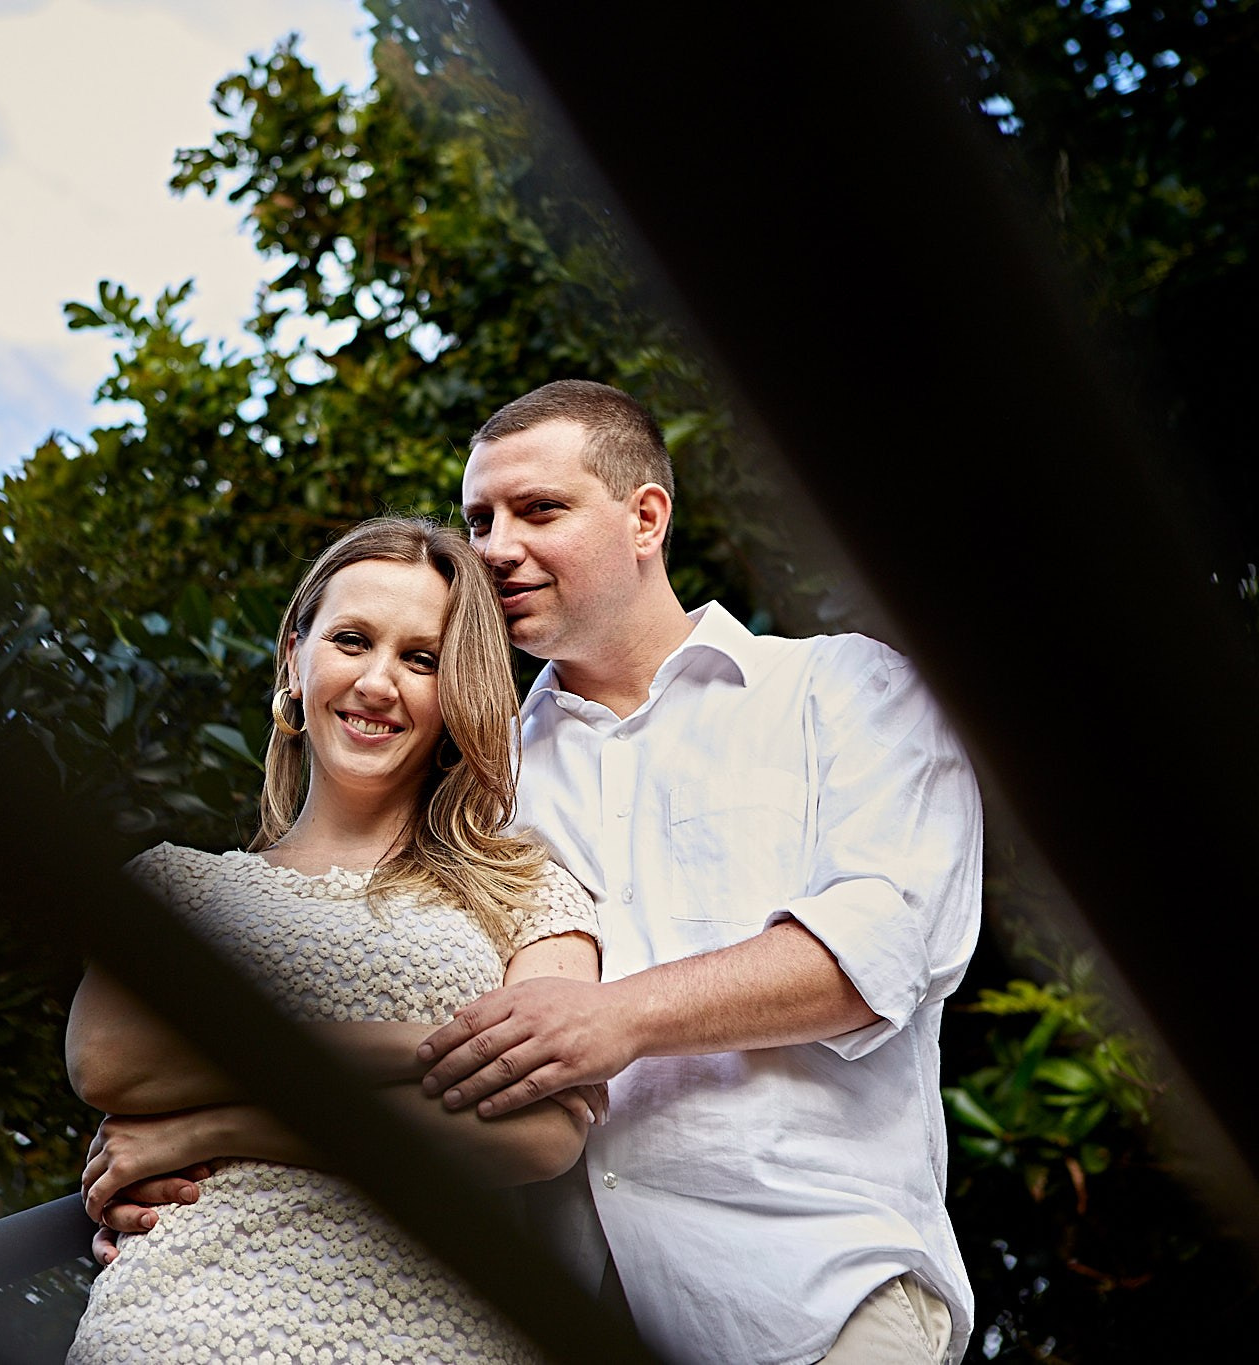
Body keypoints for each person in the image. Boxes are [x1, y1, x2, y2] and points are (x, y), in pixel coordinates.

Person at [415, 379, 985, 1365]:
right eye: (478, 519)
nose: (493, 547)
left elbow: (880, 945)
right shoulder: (481, 784)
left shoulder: (842, 688)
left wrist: (616, 1015)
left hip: (815, 1300)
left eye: (536, 509)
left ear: (644, 518)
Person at [62, 517, 604, 1364]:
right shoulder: (176, 884)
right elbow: (111, 1060)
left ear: (457, 690)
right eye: (352, 639)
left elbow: (541, 1134)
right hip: (174, 1326)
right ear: (295, 656)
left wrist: (216, 1126)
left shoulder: (529, 888)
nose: (379, 683)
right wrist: (438, 1049)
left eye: (422, 659)